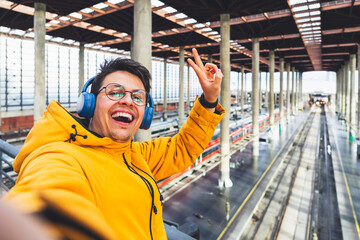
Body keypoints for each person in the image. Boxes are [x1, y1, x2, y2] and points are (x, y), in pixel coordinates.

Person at [2, 48, 225, 239]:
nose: (127, 100)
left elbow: (182, 148)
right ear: (89, 103)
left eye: (138, 97)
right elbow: (44, 202)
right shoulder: (61, 157)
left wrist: (209, 100)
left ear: (145, 114)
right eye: (115, 92)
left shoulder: (134, 156)